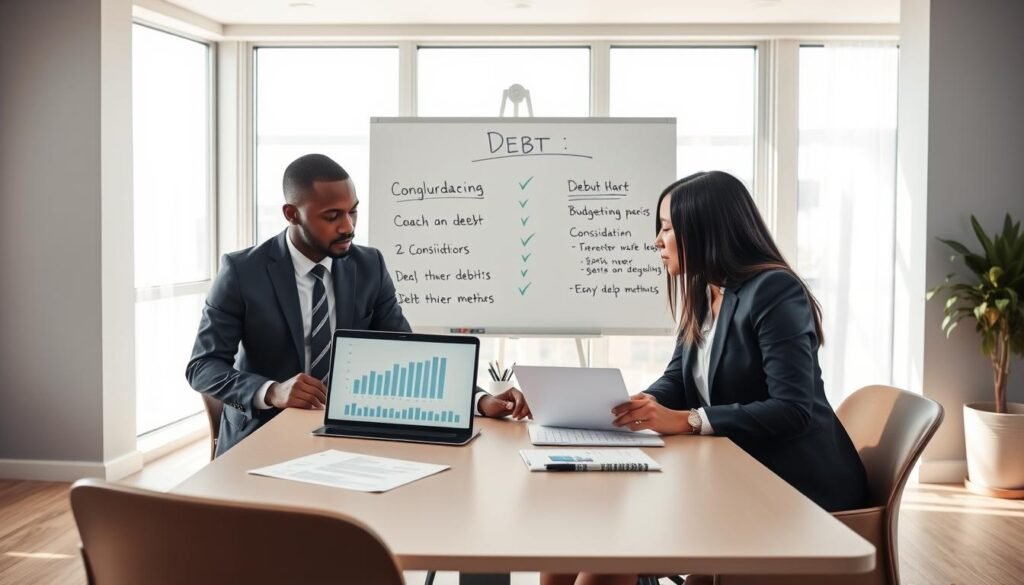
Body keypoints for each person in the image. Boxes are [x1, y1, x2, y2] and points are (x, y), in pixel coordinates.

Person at [542, 171, 868, 585]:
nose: (656, 241)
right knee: (568, 541)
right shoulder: (705, 291)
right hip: (733, 474)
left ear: (704, 229)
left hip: (796, 485)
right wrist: (633, 406)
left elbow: (793, 409)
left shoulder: (774, 291)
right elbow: (678, 379)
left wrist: (690, 420)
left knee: (611, 545)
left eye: (666, 228)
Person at [186, 154, 529, 455]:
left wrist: (479, 401)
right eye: (332, 216)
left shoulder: (369, 266)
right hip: (262, 435)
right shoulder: (243, 271)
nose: (348, 227)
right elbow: (203, 367)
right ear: (292, 214)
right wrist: (272, 391)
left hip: (355, 434)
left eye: (353, 212)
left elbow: (408, 353)